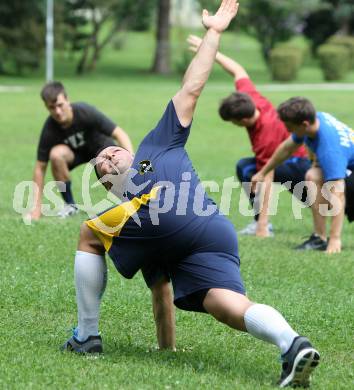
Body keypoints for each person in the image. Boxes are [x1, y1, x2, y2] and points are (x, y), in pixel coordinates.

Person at [62, 2, 320, 387]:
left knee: (89, 234)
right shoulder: (133, 215)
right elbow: (160, 292)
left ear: (131, 152)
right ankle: (290, 343)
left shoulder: (157, 141)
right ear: (109, 186)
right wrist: (166, 350)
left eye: (112, 150)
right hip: (212, 229)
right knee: (222, 304)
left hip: (208, 227)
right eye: (101, 162)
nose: (108, 155)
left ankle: (86, 336)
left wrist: (214, 32)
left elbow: (192, 86)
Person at [188, 35, 311, 237]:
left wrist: (263, 225)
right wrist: (212, 53)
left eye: (234, 123)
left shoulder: (266, 134)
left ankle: (262, 224)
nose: (235, 126)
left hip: (298, 163)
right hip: (288, 160)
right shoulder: (251, 99)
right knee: (245, 167)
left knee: (321, 201)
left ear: (243, 120)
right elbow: (238, 71)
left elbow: (267, 176)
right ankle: (261, 221)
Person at [252, 96, 354, 253]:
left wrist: (335, 239)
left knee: (323, 182)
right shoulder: (315, 120)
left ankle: (330, 239)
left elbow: (338, 194)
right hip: (348, 168)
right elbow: (286, 148)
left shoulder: (330, 150)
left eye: (290, 128)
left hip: (347, 172)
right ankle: (319, 238)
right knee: (313, 175)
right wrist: (262, 172)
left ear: (304, 124)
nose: (288, 131)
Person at [29, 81, 134, 220]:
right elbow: (40, 168)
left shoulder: (85, 111)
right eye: (52, 108)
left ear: (67, 100)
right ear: (46, 107)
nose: (58, 112)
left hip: (100, 149)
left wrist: (132, 159)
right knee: (56, 154)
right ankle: (70, 205)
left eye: (60, 105)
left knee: (108, 163)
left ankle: (131, 200)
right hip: (75, 155)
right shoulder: (50, 128)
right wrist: (35, 209)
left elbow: (119, 133)